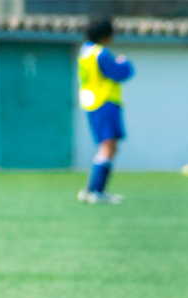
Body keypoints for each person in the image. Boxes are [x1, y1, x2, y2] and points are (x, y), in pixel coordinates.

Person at [78, 15, 134, 205]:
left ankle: (90, 189)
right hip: (106, 102)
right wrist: (124, 62)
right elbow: (121, 73)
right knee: (108, 146)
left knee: (106, 146)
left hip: (92, 102)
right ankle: (97, 191)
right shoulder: (100, 53)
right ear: (105, 35)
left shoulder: (85, 52)